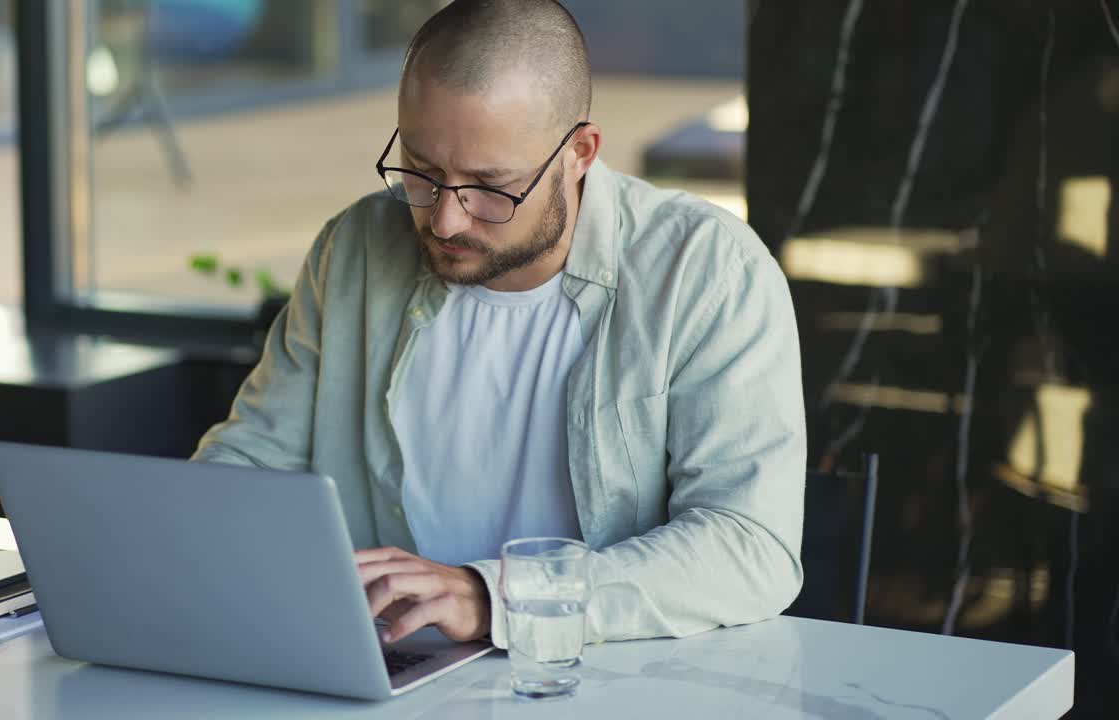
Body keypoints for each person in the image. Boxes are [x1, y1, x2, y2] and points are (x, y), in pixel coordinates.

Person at [194, 0, 805, 650]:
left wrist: (495, 596)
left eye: (491, 186)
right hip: (386, 672)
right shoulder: (357, 249)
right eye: (422, 172)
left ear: (580, 152)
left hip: (609, 679)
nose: (446, 221)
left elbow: (750, 547)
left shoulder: (705, 272)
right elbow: (256, 460)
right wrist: (173, 525)